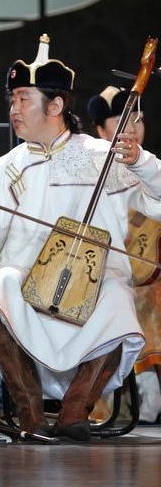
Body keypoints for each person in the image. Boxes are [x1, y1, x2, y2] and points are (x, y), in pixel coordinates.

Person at [0, 34, 161, 442]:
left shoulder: (102, 156)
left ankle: (76, 408)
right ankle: (31, 413)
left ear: (55, 106)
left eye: (23, 99)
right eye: (12, 100)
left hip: (91, 289)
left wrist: (141, 163)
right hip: (28, 293)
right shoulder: (2, 169)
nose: (13, 109)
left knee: (116, 293)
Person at [88, 85, 161, 423]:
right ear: (101, 130)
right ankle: (144, 392)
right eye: (121, 121)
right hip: (112, 275)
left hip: (150, 273)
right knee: (137, 297)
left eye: (137, 119)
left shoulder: (150, 167)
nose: (132, 128)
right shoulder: (92, 173)